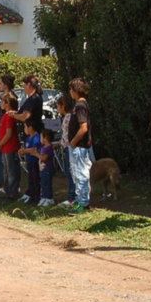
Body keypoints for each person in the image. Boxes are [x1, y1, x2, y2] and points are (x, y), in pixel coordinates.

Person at [67, 77, 94, 213]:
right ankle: (80, 200)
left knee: (80, 174)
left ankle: (83, 203)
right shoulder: (80, 105)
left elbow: (83, 127)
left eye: (71, 89)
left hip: (79, 147)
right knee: (77, 174)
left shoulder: (80, 106)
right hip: (79, 146)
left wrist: (73, 142)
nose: (70, 92)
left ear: (76, 90)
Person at [0, 93, 21, 199]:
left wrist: (0, 143)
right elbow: (1, 131)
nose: (1, 103)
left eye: (3, 101)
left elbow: (9, 133)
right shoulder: (5, 115)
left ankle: (12, 193)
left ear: (7, 104)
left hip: (10, 147)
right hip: (4, 148)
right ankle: (7, 192)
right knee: (5, 171)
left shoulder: (10, 116)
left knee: (11, 172)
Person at [56, 95, 76, 207]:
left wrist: (63, 144)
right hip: (66, 147)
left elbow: (67, 135)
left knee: (70, 173)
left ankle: (72, 198)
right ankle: (72, 196)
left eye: (58, 106)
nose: (57, 108)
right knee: (69, 173)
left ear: (63, 106)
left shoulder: (68, 118)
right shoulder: (67, 117)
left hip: (69, 148)